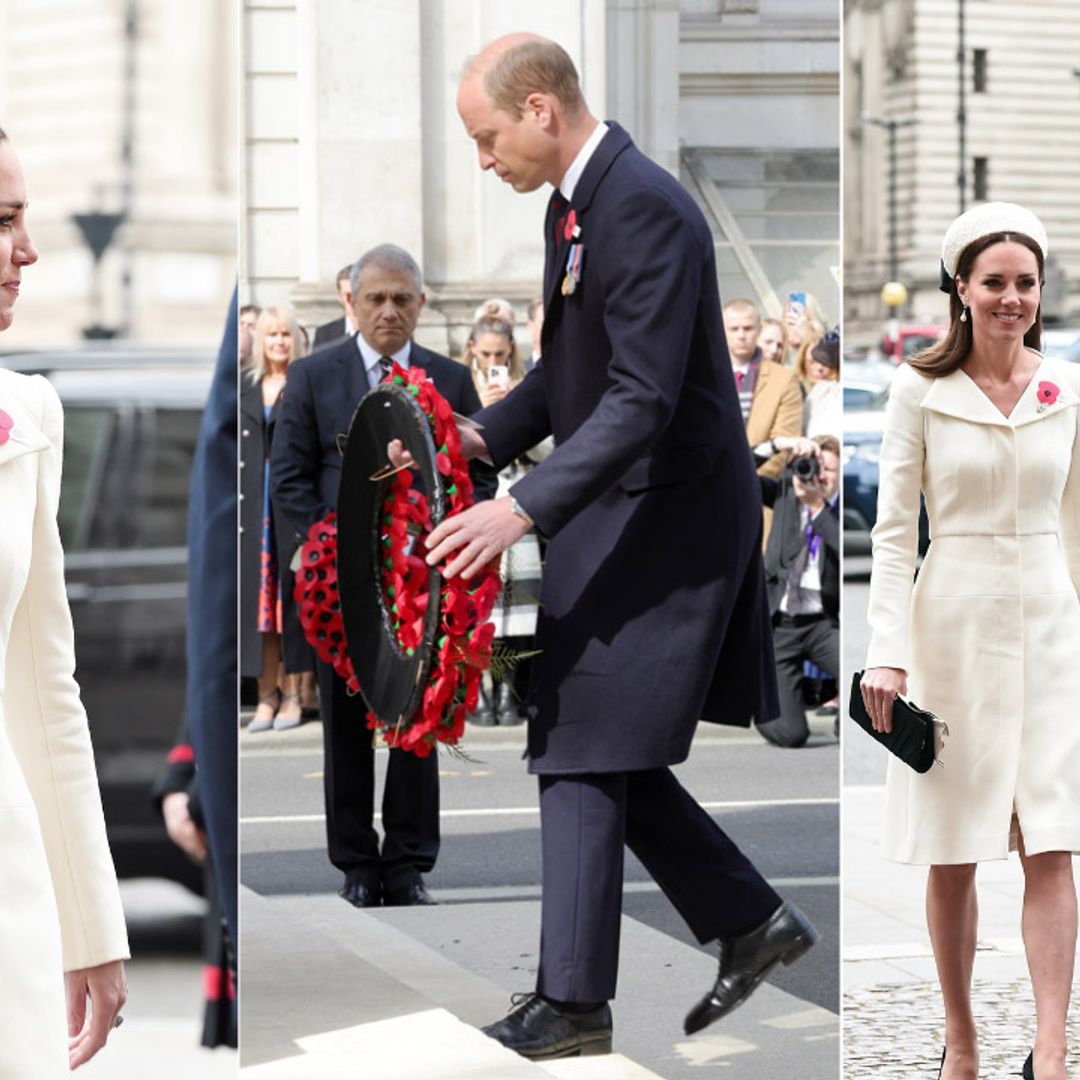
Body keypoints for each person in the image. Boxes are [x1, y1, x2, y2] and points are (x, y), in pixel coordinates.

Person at [399, 34, 818, 1059]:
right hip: (624, 511)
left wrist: (520, 507)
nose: (484, 160)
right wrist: (480, 437)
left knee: (581, 742)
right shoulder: (576, 207)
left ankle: (579, 1000)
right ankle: (744, 923)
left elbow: (641, 398)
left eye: (488, 137)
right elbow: (566, 375)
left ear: (541, 109)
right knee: (589, 744)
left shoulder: (645, 208)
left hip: (667, 522)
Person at [860, 202, 1080, 1080]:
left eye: (1025, 284)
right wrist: (886, 649)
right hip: (947, 625)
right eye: (995, 282)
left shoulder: (1066, 390)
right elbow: (888, 535)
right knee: (953, 849)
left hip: (1050, 629)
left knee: (1054, 842)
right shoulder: (918, 387)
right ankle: (961, 1042)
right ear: (961, 288)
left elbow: (1078, 529)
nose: (1012, 298)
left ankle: (1054, 1051)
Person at [270, 243, 496, 909]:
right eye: (377, 299)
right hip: (342, 587)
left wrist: (450, 539)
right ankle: (356, 867)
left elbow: (479, 473)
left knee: (416, 719)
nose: (389, 311)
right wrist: (325, 548)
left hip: (425, 584)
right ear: (352, 303)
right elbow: (289, 477)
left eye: (403, 299)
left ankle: (407, 864)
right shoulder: (314, 378)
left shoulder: (450, 380)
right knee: (345, 725)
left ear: (422, 304)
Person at [0, 125, 128, 1075]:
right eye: (5, 221)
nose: (29, 250)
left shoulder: (28, 414)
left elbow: (44, 688)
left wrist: (90, 920)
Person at [463, 313, 540, 727]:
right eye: (486, 352)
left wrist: (513, 420)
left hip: (517, 498)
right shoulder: (463, 383)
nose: (493, 358)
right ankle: (479, 692)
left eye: (500, 352)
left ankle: (508, 689)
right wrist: (487, 415)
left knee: (517, 606)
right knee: (481, 605)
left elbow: (548, 446)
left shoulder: (525, 384)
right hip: (479, 503)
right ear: (473, 348)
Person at [241, 307, 311, 732]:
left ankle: (293, 695)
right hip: (254, 509)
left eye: (286, 334)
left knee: (293, 606)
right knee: (261, 608)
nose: (279, 342)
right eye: (272, 335)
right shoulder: (247, 388)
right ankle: (266, 696)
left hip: (289, 507)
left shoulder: (303, 385)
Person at [755, 436, 839, 749]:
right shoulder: (783, 495)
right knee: (791, 735)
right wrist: (779, 444)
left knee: (858, 667)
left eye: (829, 469)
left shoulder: (839, 511)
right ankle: (763, 701)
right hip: (781, 626)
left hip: (822, 625)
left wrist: (817, 506)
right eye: (814, 467)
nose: (820, 476)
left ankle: (849, 719)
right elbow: (738, 471)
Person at [722, 298, 803, 478]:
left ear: (759, 329)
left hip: (757, 489)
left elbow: (784, 443)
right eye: (734, 329)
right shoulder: (704, 373)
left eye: (748, 328)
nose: (741, 335)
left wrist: (744, 479)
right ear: (722, 331)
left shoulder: (784, 379)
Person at [802, 328, 841, 437]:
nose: (819, 368)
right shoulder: (816, 392)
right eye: (813, 362)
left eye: (827, 363)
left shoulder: (833, 391)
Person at [312, 264, 355, 348]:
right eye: (348, 295)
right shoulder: (324, 334)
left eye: (356, 293)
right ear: (340, 297)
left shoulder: (380, 330)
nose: (352, 300)